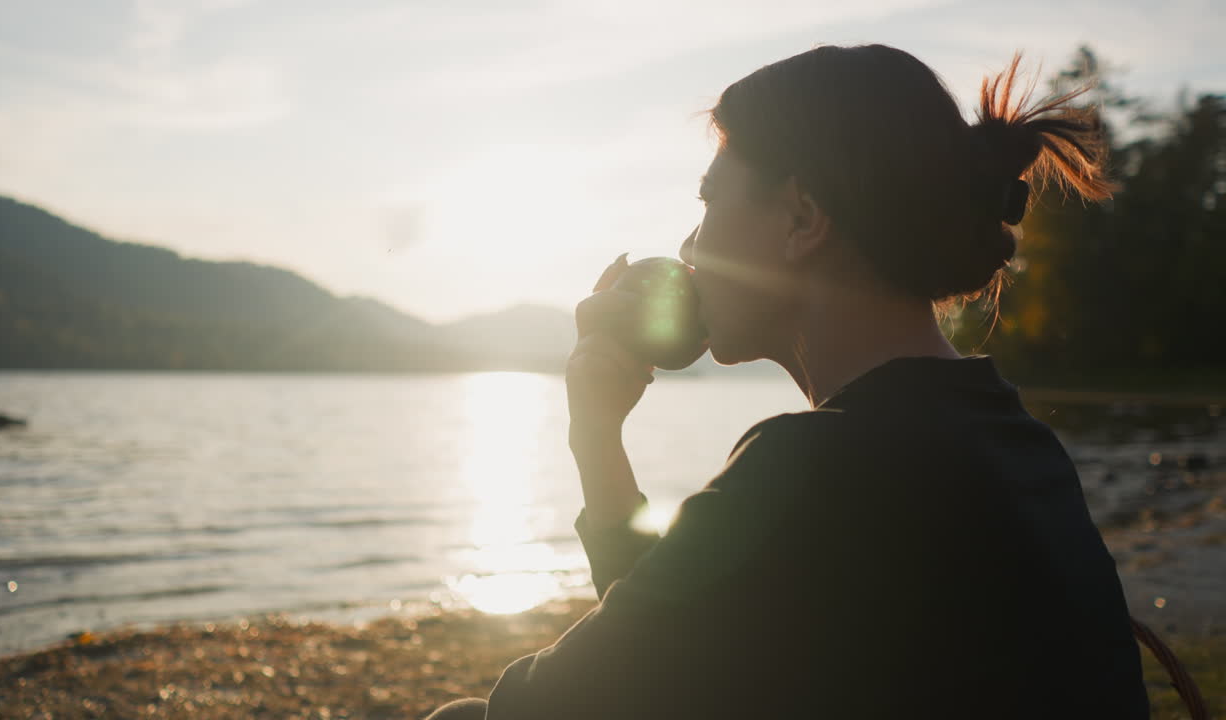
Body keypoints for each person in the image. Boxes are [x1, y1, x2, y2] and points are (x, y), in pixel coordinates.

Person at [427, 43, 1149, 719]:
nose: (689, 247)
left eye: (709, 204)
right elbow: (664, 656)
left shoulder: (816, 465)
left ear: (803, 218)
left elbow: (547, 704)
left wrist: (588, 433)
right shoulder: (1018, 444)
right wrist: (598, 439)